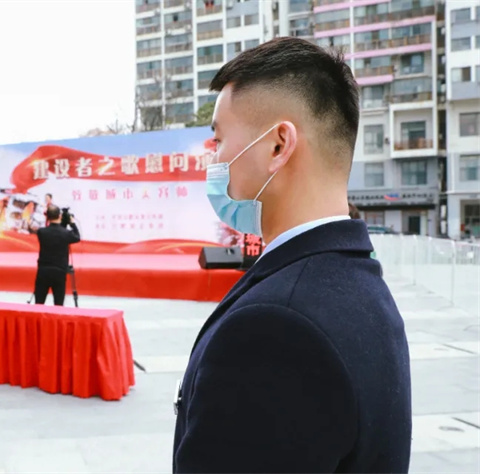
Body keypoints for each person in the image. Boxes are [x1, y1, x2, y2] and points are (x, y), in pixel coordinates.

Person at [173, 38, 411, 473]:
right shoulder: (359, 282)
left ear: (278, 145)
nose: (215, 159)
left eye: (219, 140)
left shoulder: (273, 326)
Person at [34, 205, 80, 306]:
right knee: (58, 304)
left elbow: (54, 230)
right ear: (59, 216)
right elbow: (77, 237)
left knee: (39, 303)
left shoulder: (41, 232)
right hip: (59, 272)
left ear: (47, 216)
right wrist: (72, 223)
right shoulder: (65, 233)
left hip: (43, 271)